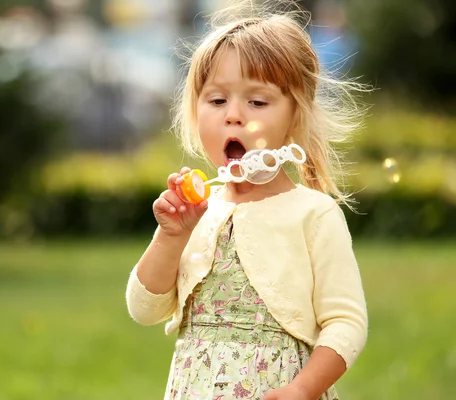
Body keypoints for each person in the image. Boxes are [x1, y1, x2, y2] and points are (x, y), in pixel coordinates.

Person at [125, 1, 369, 399]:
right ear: (195, 111)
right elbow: (144, 309)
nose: (234, 116)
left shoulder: (313, 213)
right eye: (217, 101)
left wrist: (304, 389)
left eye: (257, 102)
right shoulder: (197, 213)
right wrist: (170, 237)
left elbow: (346, 322)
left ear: (295, 116)